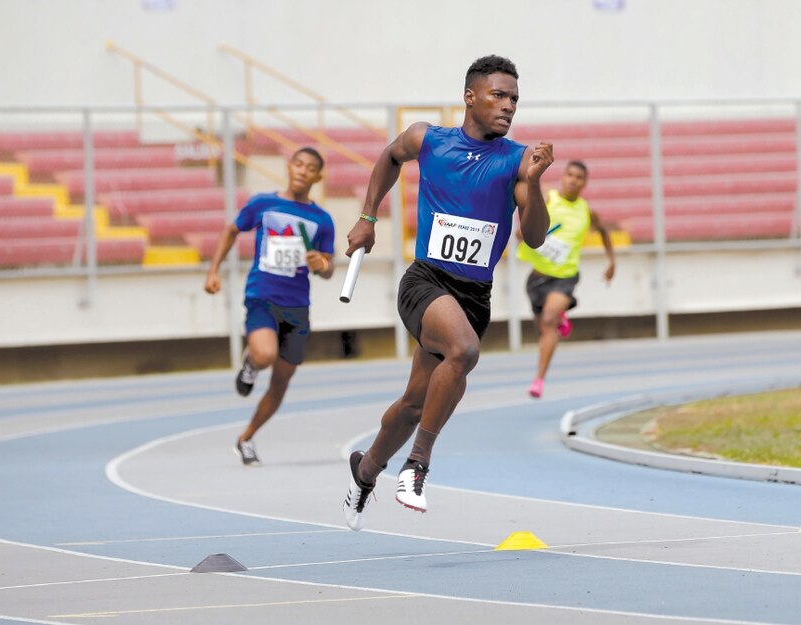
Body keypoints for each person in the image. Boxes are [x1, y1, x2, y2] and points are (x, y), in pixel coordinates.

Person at [342, 55, 553, 530]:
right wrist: (369, 216)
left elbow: (535, 238)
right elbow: (389, 156)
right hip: (426, 282)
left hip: (473, 297)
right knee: (464, 350)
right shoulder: (428, 139)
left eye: (515, 99)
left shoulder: (518, 160)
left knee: (416, 401)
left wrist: (535, 184)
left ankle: (366, 469)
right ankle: (417, 465)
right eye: (498, 95)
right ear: (470, 96)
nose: (508, 107)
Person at [204, 147, 335, 466]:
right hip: (262, 295)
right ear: (289, 167)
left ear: (317, 177)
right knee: (263, 354)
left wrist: (321, 264)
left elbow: (329, 269)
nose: (303, 171)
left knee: (282, 381)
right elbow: (231, 230)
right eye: (298, 164)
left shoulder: (322, 219)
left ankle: (246, 438)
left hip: (298, 306)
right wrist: (213, 271)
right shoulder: (263, 204)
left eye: (310, 168)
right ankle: (250, 366)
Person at [516, 160, 616, 399]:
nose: (573, 180)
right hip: (537, 277)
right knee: (543, 329)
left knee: (549, 321)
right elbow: (523, 229)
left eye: (579, 177)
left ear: (585, 183)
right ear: (563, 177)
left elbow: (603, 232)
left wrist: (612, 261)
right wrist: (526, 232)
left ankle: (538, 380)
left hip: (564, 277)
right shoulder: (548, 199)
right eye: (569, 175)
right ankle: (559, 316)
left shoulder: (587, 211)